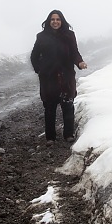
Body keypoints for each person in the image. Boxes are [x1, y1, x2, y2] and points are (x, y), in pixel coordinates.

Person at [30, 10, 87, 144]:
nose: (55, 22)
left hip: (66, 76)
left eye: (58, 19)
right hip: (48, 78)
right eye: (53, 20)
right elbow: (34, 56)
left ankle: (68, 134)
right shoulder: (41, 37)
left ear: (62, 21)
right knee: (49, 107)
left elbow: (74, 53)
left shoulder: (69, 35)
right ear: (49, 22)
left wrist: (80, 62)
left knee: (68, 105)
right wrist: (40, 70)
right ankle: (50, 137)